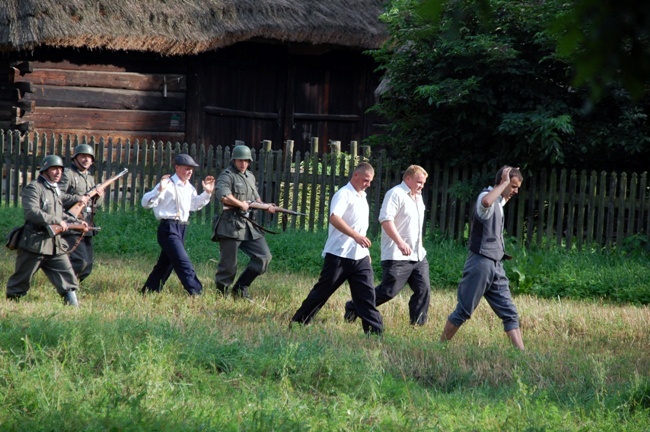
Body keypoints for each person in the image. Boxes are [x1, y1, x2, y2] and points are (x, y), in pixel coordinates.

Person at [290, 162, 384, 335]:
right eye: (365, 180)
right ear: (355, 175)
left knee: (367, 296)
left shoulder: (362, 197)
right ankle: (298, 323)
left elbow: (360, 228)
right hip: (339, 254)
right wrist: (355, 236)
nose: (368, 184)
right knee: (322, 292)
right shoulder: (343, 194)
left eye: (370, 181)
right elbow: (334, 218)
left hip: (360, 256)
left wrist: (366, 251)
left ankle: (374, 333)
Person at [439, 165, 525, 349]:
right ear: (504, 183)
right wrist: (504, 183)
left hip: (496, 265)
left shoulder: (499, 202)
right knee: (464, 310)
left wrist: (505, 190)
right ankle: (440, 346)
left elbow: (496, 203)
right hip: (480, 264)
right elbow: (486, 202)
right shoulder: (484, 198)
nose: (516, 191)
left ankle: (522, 354)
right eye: (514, 186)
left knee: (510, 312)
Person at [344, 164, 431, 326]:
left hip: (418, 255)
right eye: (419, 182)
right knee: (388, 291)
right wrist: (400, 243)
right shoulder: (395, 194)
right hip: (397, 254)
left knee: (423, 290)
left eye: (423, 183)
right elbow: (385, 219)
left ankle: (417, 325)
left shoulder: (418, 197)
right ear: (408, 178)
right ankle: (354, 305)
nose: (421, 186)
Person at [6, 155, 89, 306]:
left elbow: (59, 213)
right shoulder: (34, 188)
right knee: (21, 279)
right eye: (54, 169)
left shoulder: (55, 189)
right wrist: (57, 221)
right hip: (34, 242)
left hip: (55, 243)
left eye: (60, 169)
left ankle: (73, 309)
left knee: (67, 275)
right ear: (45, 170)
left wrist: (76, 222)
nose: (58, 172)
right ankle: (11, 305)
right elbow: (31, 212)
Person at [141, 154, 215, 296]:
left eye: (191, 170)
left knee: (166, 263)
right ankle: (196, 292)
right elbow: (145, 203)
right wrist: (159, 190)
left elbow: (194, 205)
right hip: (168, 228)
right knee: (182, 261)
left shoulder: (189, 187)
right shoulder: (167, 184)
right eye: (187, 168)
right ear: (177, 167)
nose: (190, 172)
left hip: (181, 228)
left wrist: (207, 193)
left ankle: (149, 291)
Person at [212, 144, 276, 299]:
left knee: (263, 257)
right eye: (240, 160)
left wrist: (265, 206)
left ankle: (240, 288)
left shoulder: (250, 176)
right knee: (228, 266)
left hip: (248, 225)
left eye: (246, 161)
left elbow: (255, 198)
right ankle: (221, 294)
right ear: (234, 160)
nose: (243, 164)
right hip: (230, 225)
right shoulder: (227, 175)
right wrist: (240, 204)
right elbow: (223, 195)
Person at [58, 144, 105, 283]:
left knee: (88, 265)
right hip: (71, 222)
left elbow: (96, 205)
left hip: (87, 223)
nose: (86, 160)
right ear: (75, 158)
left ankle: (75, 287)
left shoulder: (90, 178)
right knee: (80, 261)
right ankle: (66, 285)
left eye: (89, 157)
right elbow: (57, 196)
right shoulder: (67, 173)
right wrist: (78, 198)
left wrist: (99, 196)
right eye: (83, 156)